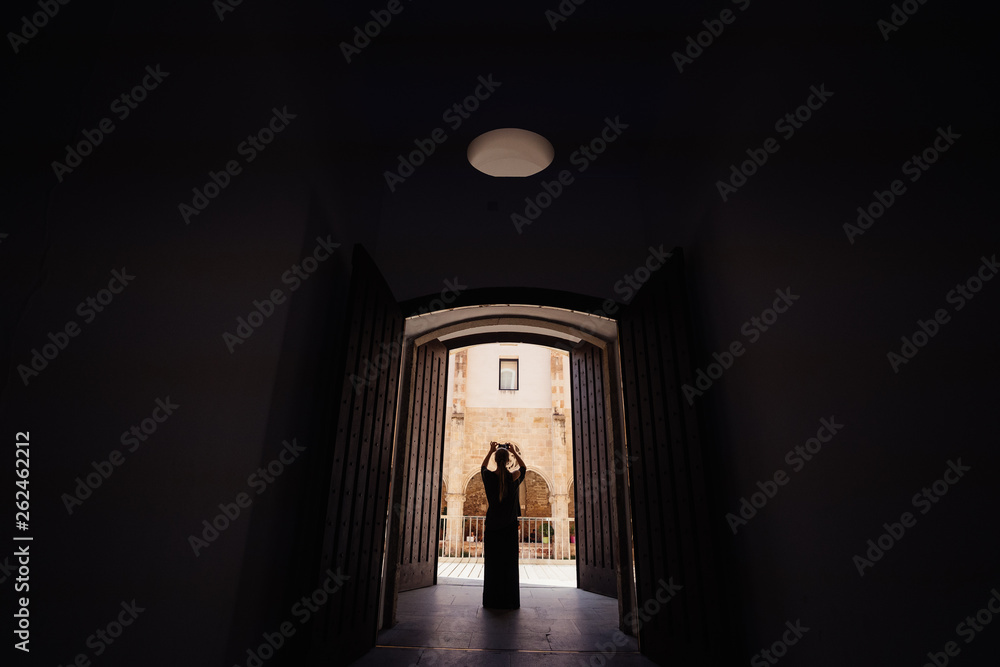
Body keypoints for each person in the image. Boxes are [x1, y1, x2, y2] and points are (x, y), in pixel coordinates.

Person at [480, 440, 526, 609]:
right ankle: (510, 600)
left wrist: (490, 450)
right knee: (509, 565)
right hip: (509, 528)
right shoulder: (513, 477)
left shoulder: (489, 477)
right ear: (508, 460)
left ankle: (492, 600)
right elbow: (523, 469)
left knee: (493, 565)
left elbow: (483, 468)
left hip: (492, 527)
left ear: (495, 459)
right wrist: (515, 450)